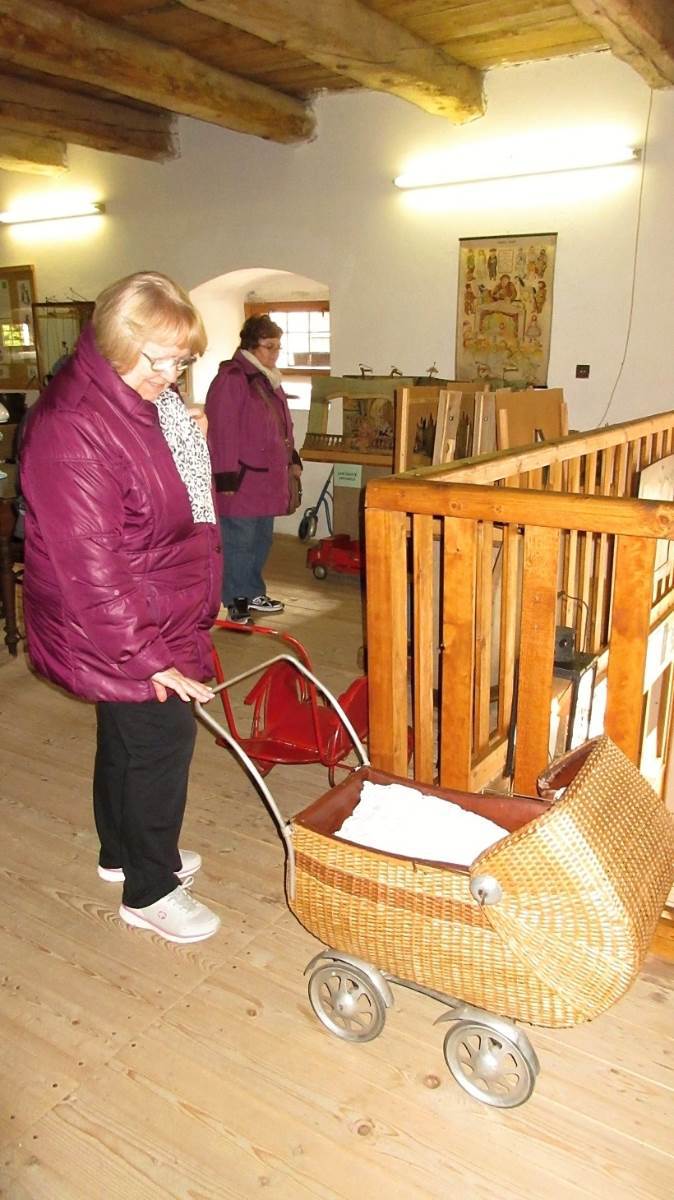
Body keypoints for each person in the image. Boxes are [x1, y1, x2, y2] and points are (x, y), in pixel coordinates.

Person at [20, 271, 223, 945]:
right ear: (114, 339)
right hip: (121, 622)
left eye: (181, 362)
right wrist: (148, 659)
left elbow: (160, 499)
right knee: (161, 743)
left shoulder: (138, 400)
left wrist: (184, 436)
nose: (169, 376)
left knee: (126, 739)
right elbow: (90, 567)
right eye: (157, 360)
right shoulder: (73, 427)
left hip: (151, 604)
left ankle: (122, 852)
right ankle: (150, 889)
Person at [205, 314, 302, 623]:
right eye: (268, 347)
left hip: (267, 480)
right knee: (239, 544)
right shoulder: (232, 379)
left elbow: (282, 425)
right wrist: (225, 478)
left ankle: (253, 592)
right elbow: (221, 431)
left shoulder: (266, 378)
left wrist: (293, 458)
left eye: (278, 347)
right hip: (241, 481)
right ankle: (237, 602)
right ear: (250, 346)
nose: (275, 353)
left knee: (261, 540)